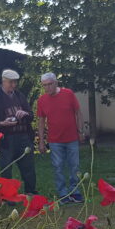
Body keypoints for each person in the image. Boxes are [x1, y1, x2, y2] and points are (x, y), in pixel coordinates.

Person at [0, 69, 37, 194]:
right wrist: (2, 123)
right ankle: (8, 196)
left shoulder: (20, 96)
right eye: (11, 82)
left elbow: (31, 115)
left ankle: (31, 193)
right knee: (6, 169)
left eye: (15, 83)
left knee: (28, 167)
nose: (13, 85)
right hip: (6, 140)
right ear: (3, 81)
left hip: (23, 137)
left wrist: (25, 113)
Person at [36, 73, 85, 203]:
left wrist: (81, 131)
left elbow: (78, 113)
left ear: (56, 83)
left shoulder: (68, 94)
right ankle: (63, 193)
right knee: (58, 167)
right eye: (44, 85)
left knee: (74, 166)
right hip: (54, 140)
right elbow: (41, 121)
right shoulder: (42, 100)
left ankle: (75, 192)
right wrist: (41, 141)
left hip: (72, 137)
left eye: (49, 84)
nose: (47, 88)